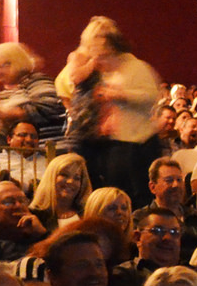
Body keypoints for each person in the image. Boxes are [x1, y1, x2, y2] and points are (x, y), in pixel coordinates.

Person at [60, 17, 161, 202]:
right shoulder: (97, 66)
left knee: (131, 193)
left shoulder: (135, 67)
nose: (101, 57)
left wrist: (119, 95)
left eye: (104, 50)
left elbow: (150, 96)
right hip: (107, 139)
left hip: (136, 142)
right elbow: (73, 79)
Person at [28, 152, 91, 232]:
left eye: (77, 178)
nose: (70, 181)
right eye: (64, 175)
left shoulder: (88, 213)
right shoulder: (35, 214)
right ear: (51, 177)